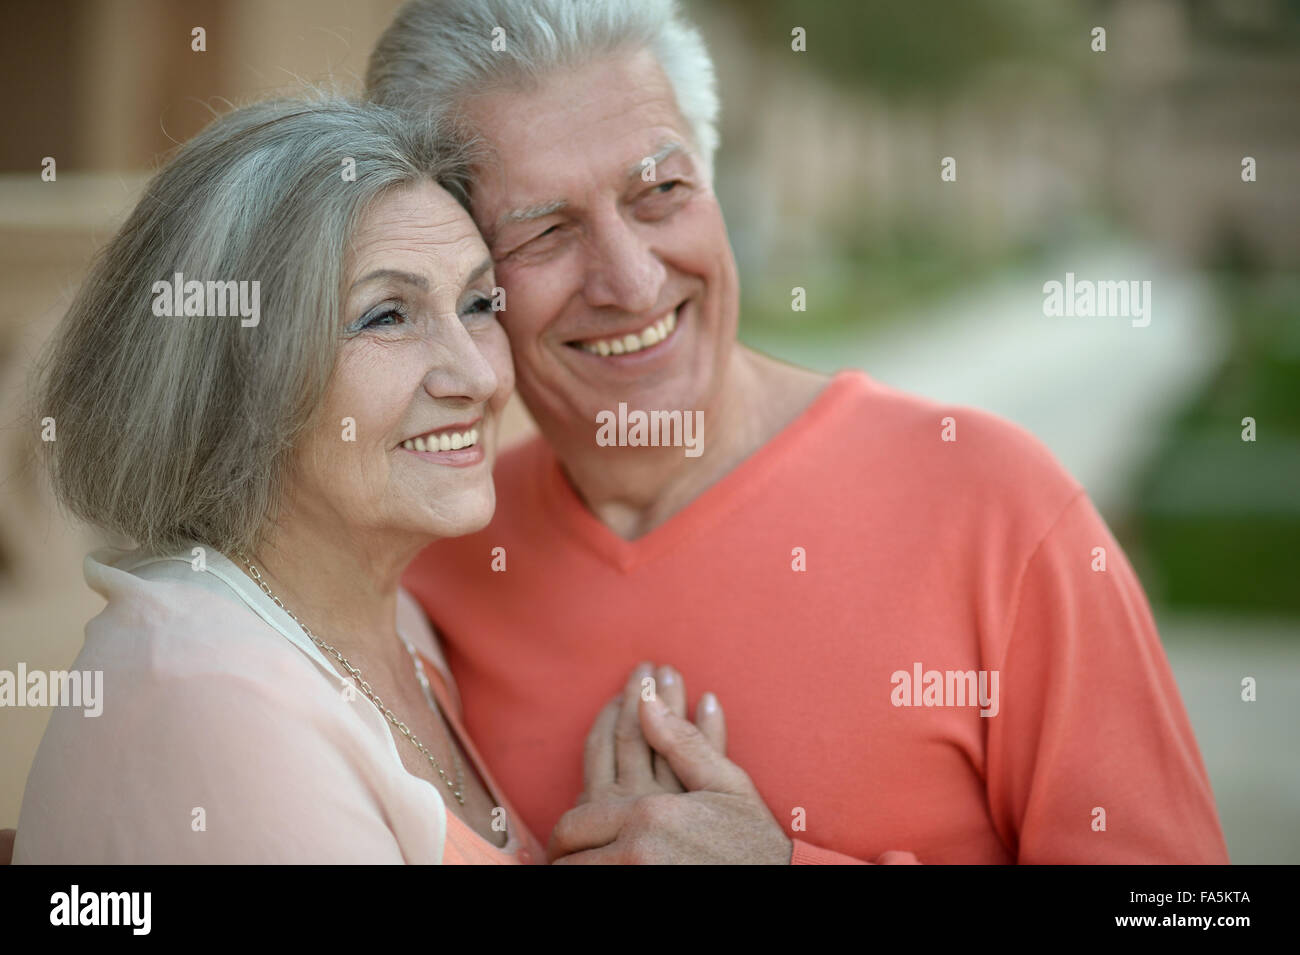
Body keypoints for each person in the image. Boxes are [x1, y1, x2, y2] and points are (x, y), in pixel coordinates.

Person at [368, 0, 1231, 864]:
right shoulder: (425, 565)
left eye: (660, 192)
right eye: (547, 232)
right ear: (463, 281)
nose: (630, 281)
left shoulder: (998, 507)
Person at [14, 95, 705, 864]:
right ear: (236, 377)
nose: (477, 375)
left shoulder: (396, 621)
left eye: (478, 304)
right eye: (386, 317)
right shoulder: (214, 694)